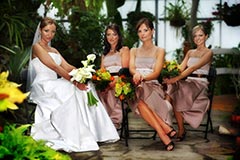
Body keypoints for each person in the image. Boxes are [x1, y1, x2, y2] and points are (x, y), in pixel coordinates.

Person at [27, 17, 120, 152]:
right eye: (47, 31)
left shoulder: (54, 50)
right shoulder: (37, 47)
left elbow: (67, 66)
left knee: (87, 88)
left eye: (53, 32)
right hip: (43, 84)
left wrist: (84, 73)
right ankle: (76, 135)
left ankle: (93, 132)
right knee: (70, 88)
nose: (50, 34)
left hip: (54, 82)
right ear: (40, 30)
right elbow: (55, 67)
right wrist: (75, 82)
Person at [129, 18, 176, 151]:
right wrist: (136, 75)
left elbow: (156, 73)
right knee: (136, 92)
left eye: (146, 30)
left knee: (138, 95)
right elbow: (132, 68)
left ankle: (164, 132)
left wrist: (142, 78)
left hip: (152, 86)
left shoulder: (159, 51)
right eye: (139, 31)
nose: (142, 33)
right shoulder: (134, 51)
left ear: (152, 31)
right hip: (138, 84)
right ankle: (164, 131)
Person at [164, 24, 213, 142]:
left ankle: (169, 123)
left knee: (177, 87)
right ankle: (170, 122)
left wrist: (175, 79)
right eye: (195, 36)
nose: (197, 38)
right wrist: (168, 71)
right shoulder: (190, 52)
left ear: (206, 36)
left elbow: (192, 68)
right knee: (173, 87)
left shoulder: (209, 52)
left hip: (200, 83)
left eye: (200, 35)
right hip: (189, 81)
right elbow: (181, 67)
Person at [98, 24, 130, 129]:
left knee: (113, 90)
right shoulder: (104, 54)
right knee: (97, 91)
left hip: (120, 80)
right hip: (107, 81)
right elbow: (101, 72)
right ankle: (101, 121)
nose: (111, 37)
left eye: (114, 34)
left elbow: (125, 70)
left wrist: (114, 82)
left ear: (119, 36)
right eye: (108, 35)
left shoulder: (124, 50)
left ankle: (113, 122)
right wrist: (103, 84)